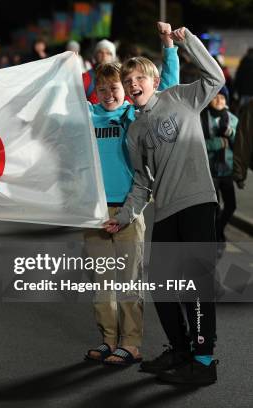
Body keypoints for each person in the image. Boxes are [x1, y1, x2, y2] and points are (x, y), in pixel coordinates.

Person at [103, 25, 224, 385]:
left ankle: (203, 361)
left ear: (154, 81)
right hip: (167, 210)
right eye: (128, 79)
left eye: (140, 76)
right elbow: (142, 182)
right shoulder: (135, 132)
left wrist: (186, 42)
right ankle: (181, 350)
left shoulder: (181, 97)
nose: (133, 82)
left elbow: (214, 76)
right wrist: (124, 216)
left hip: (198, 202)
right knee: (162, 284)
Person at [84, 21, 179, 366]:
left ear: (124, 91)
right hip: (93, 211)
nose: (109, 94)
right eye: (103, 88)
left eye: (115, 87)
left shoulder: (132, 116)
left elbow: (165, 86)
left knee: (128, 281)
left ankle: (132, 343)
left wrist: (168, 46)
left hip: (128, 208)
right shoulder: (87, 117)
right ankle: (108, 340)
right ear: (95, 89)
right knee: (100, 286)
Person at [202, 86, 239, 252]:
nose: (219, 101)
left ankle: (218, 231)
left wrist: (230, 135)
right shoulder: (201, 117)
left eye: (223, 98)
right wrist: (217, 143)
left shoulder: (232, 119)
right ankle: (216, 238)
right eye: (216, 97)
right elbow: (197, 144)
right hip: (210, 170)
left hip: (227, 170)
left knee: (231, 205)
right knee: (214, 208)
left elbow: (240, 145)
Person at [82, 39, 117, 104]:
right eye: (100, 52)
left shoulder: (121, 76)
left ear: (113, 57)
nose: (104, 56)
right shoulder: (85, 77)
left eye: (108, 53)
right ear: (95, 56)